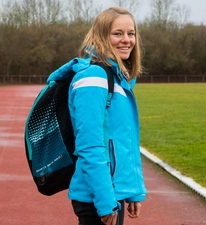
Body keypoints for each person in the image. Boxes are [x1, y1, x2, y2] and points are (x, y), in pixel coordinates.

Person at [66, 7, 147, 225]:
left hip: (113, 193)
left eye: (131, 33)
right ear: (102, 36)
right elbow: (90, 145)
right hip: (98, 197)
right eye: (117, 33)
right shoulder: (94, 77)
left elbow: (125, 141)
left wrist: (133, 191)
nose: (127, 40)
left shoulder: (119, 79)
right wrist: (104, 201)